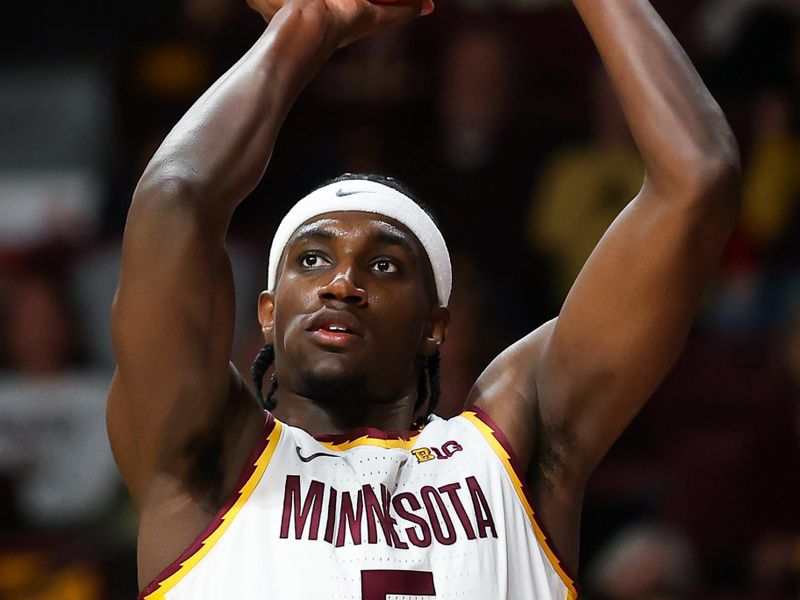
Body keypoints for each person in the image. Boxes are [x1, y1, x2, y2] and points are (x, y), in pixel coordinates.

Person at [106, 0, 740, 598]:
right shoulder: (208, 457)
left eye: (383, 265)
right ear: (268, 313)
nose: (342, 283)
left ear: (436, 324)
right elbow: (174, 198)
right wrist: (303, 28)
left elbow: (696, 179)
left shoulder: (513, 448)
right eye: (312, 259)